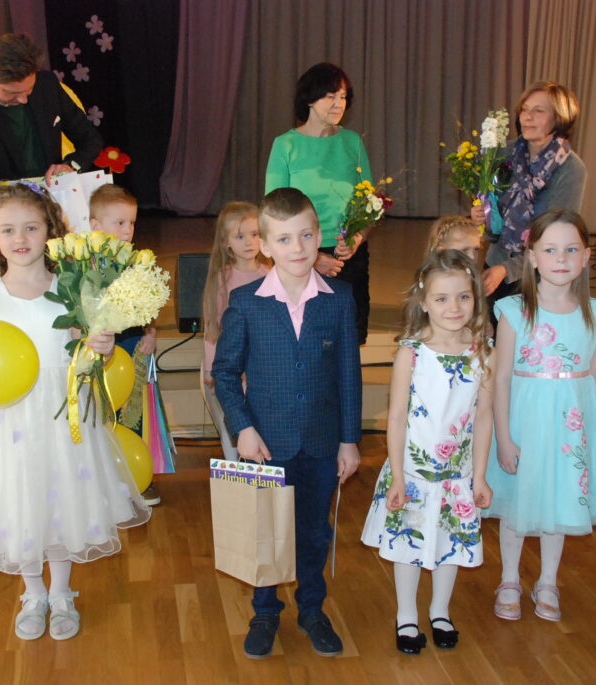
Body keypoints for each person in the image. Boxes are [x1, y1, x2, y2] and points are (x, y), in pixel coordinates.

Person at [0, 183, 150, 640]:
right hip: (8, 419)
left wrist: (101, 346)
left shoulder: (69, 292)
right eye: (8, 229)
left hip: (62, 416)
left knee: (61, 499)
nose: (20, 238)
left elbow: (87, 357)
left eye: (31, 228)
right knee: (22, 500)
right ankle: (32, 592)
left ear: (50, 231)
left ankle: (60, 592)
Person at [213, 187, 362, 659]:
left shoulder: (339, 298)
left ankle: (312, 609)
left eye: (306, 236)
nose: (297, 248)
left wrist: (349, 440)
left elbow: (348, 374)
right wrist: (243, 428)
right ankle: (265, 611)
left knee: (314, 532)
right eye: (283, 239)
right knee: (265, 530)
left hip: (320, 443)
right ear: (264, 245)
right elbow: (224, 372)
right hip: (264, 443)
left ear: (319, 235)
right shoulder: (247, 301)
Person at [484, 209, 596, 622]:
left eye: (571, 250)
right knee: (517, 503)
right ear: (533, 257)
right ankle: (510, 578)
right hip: (525, 424)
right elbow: (501, 378)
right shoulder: (514, 310)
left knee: (562, 499)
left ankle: (548, 580)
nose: (561, 258)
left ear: (586, 257)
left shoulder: (595, 313)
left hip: (571, 429)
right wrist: (504, 437)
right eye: (550, 250)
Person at [360, 249, 494, 655]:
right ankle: (406, 615)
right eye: (442, 298)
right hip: (414, 473)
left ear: (475, 298)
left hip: (457, 474)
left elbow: (483, 416)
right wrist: (398, 476)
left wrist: (479, 475)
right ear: (424, 301)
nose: (454, 307)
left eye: (463, 297)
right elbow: (397, 416)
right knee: (409, 541)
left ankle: (440, 610)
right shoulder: (412, 352)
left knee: (450, 541)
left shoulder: (482, 351)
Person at [265, 63, 374, 344]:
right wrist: (313, 259)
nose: (339, 104)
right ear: (310, 99)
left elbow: (371, 204)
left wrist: (357, 238)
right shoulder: (286, 145)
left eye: (343, 96)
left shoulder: (352, 142)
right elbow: (274, 214)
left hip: (349, 255)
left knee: (349, 339)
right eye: (331, 96)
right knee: (306, 340)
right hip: (300, 254)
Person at [0, 33, 103, 221]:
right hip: (6, 216)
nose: (23, 99)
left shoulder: (47, 86)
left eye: (29, 89)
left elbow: (90, 140)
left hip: (55, 206)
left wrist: (70, 166)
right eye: (11, 93)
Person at [472, 82, 585, 300]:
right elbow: (493, 214)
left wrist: (508, 269)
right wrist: (482, 214)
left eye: (538, 111)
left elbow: (557, 237)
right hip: (496, 266)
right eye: (524, 110)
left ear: (559, 118)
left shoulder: (571, 169)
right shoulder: (504, 154)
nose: (527, 117)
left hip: (541, 277)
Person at [87, 183, 161, 505]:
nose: (127, 230)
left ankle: (136, 478)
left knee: (132, 412)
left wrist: (151, 332)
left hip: (130, 346)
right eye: (119, 222)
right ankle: (98, 482)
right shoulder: (84, 265)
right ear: (95, 225)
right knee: (97, 413)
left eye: (131, 222)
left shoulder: (136, 262)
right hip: (97, 351)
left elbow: (149, 305)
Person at [200, 202, 269, 461]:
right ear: (226, 242)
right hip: (229, 367)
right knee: (233, 429)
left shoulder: (271, 274)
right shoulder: (223, 278)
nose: (249, 242)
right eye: (240, 236)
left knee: (260, 426)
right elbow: (213, 326)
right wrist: (211, 367)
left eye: (254, 234)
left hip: (260, 367)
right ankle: (234, 473)